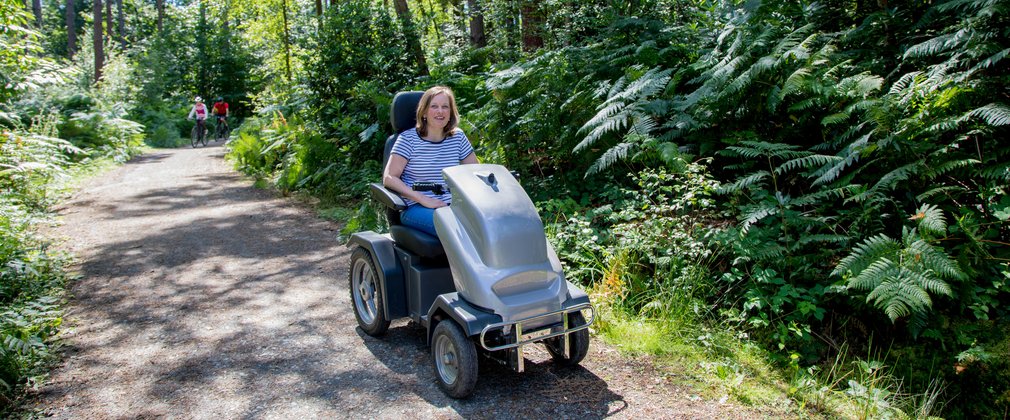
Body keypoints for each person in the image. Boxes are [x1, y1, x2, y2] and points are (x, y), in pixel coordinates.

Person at [383, 86, 478, 237]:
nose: (440, 111)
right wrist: (423, 199)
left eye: (445, 107)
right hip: (416, 207)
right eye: (434, 106)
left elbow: (476, 172)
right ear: (425, 112)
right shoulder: (408, 139)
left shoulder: (458, 137)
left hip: (452, 205)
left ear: (451, 112)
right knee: (455, 228)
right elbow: (389, 178)